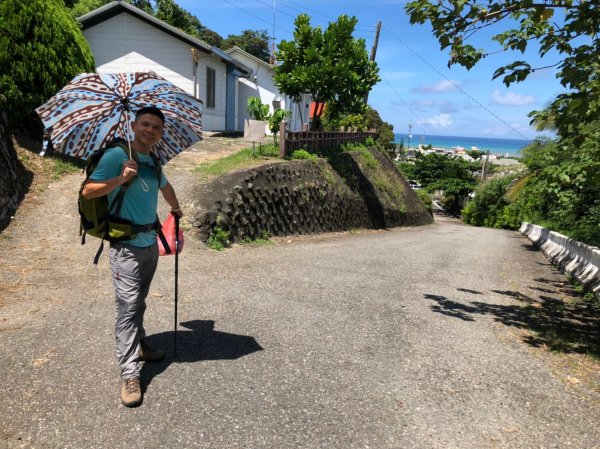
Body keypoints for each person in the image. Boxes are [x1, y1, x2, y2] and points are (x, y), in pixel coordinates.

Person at [82, 106, 183, 407]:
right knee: (127, 307)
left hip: (150, 242)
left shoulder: (154, 159)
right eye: (145, 124)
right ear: (134, 125)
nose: (150, 130)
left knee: (139, 301)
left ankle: (140, 345)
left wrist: (176, 210)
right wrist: (120, 179)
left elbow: (165, 188)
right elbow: (88, 191)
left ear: (161, 133)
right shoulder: (116, 156)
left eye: (156, 127)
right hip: (124, 246)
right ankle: (129, 373)